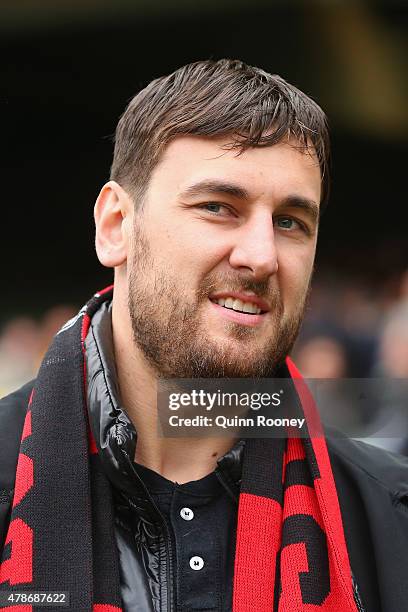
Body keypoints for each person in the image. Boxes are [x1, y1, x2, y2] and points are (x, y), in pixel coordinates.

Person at [0, 59, 407, 612]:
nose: (261, 257)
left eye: (290, 222)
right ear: (116, 226)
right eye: (218, 207)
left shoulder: (388, 515)